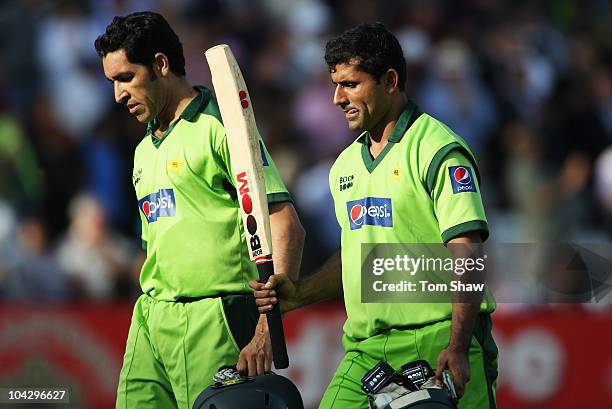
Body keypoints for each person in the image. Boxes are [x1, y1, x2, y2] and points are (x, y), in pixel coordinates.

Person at [251, 23, 497, 409]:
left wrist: (458, 346)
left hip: (437, 340)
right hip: (367, 351)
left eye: (350, 84)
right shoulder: (344, 167)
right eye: (335, 84)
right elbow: (358, 263)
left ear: (389, 80)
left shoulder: (438, 150)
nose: (337, 98)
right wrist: (299, 293)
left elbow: (468, 254)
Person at [94, 11, 305, 409]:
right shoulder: (142, 151)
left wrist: (264, 330)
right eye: (112, 83)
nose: (118, 95)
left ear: (160, 64)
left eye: (126, 78)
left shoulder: (222, 128)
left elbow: (285, 224)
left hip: (215, 319)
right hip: (151, 316)